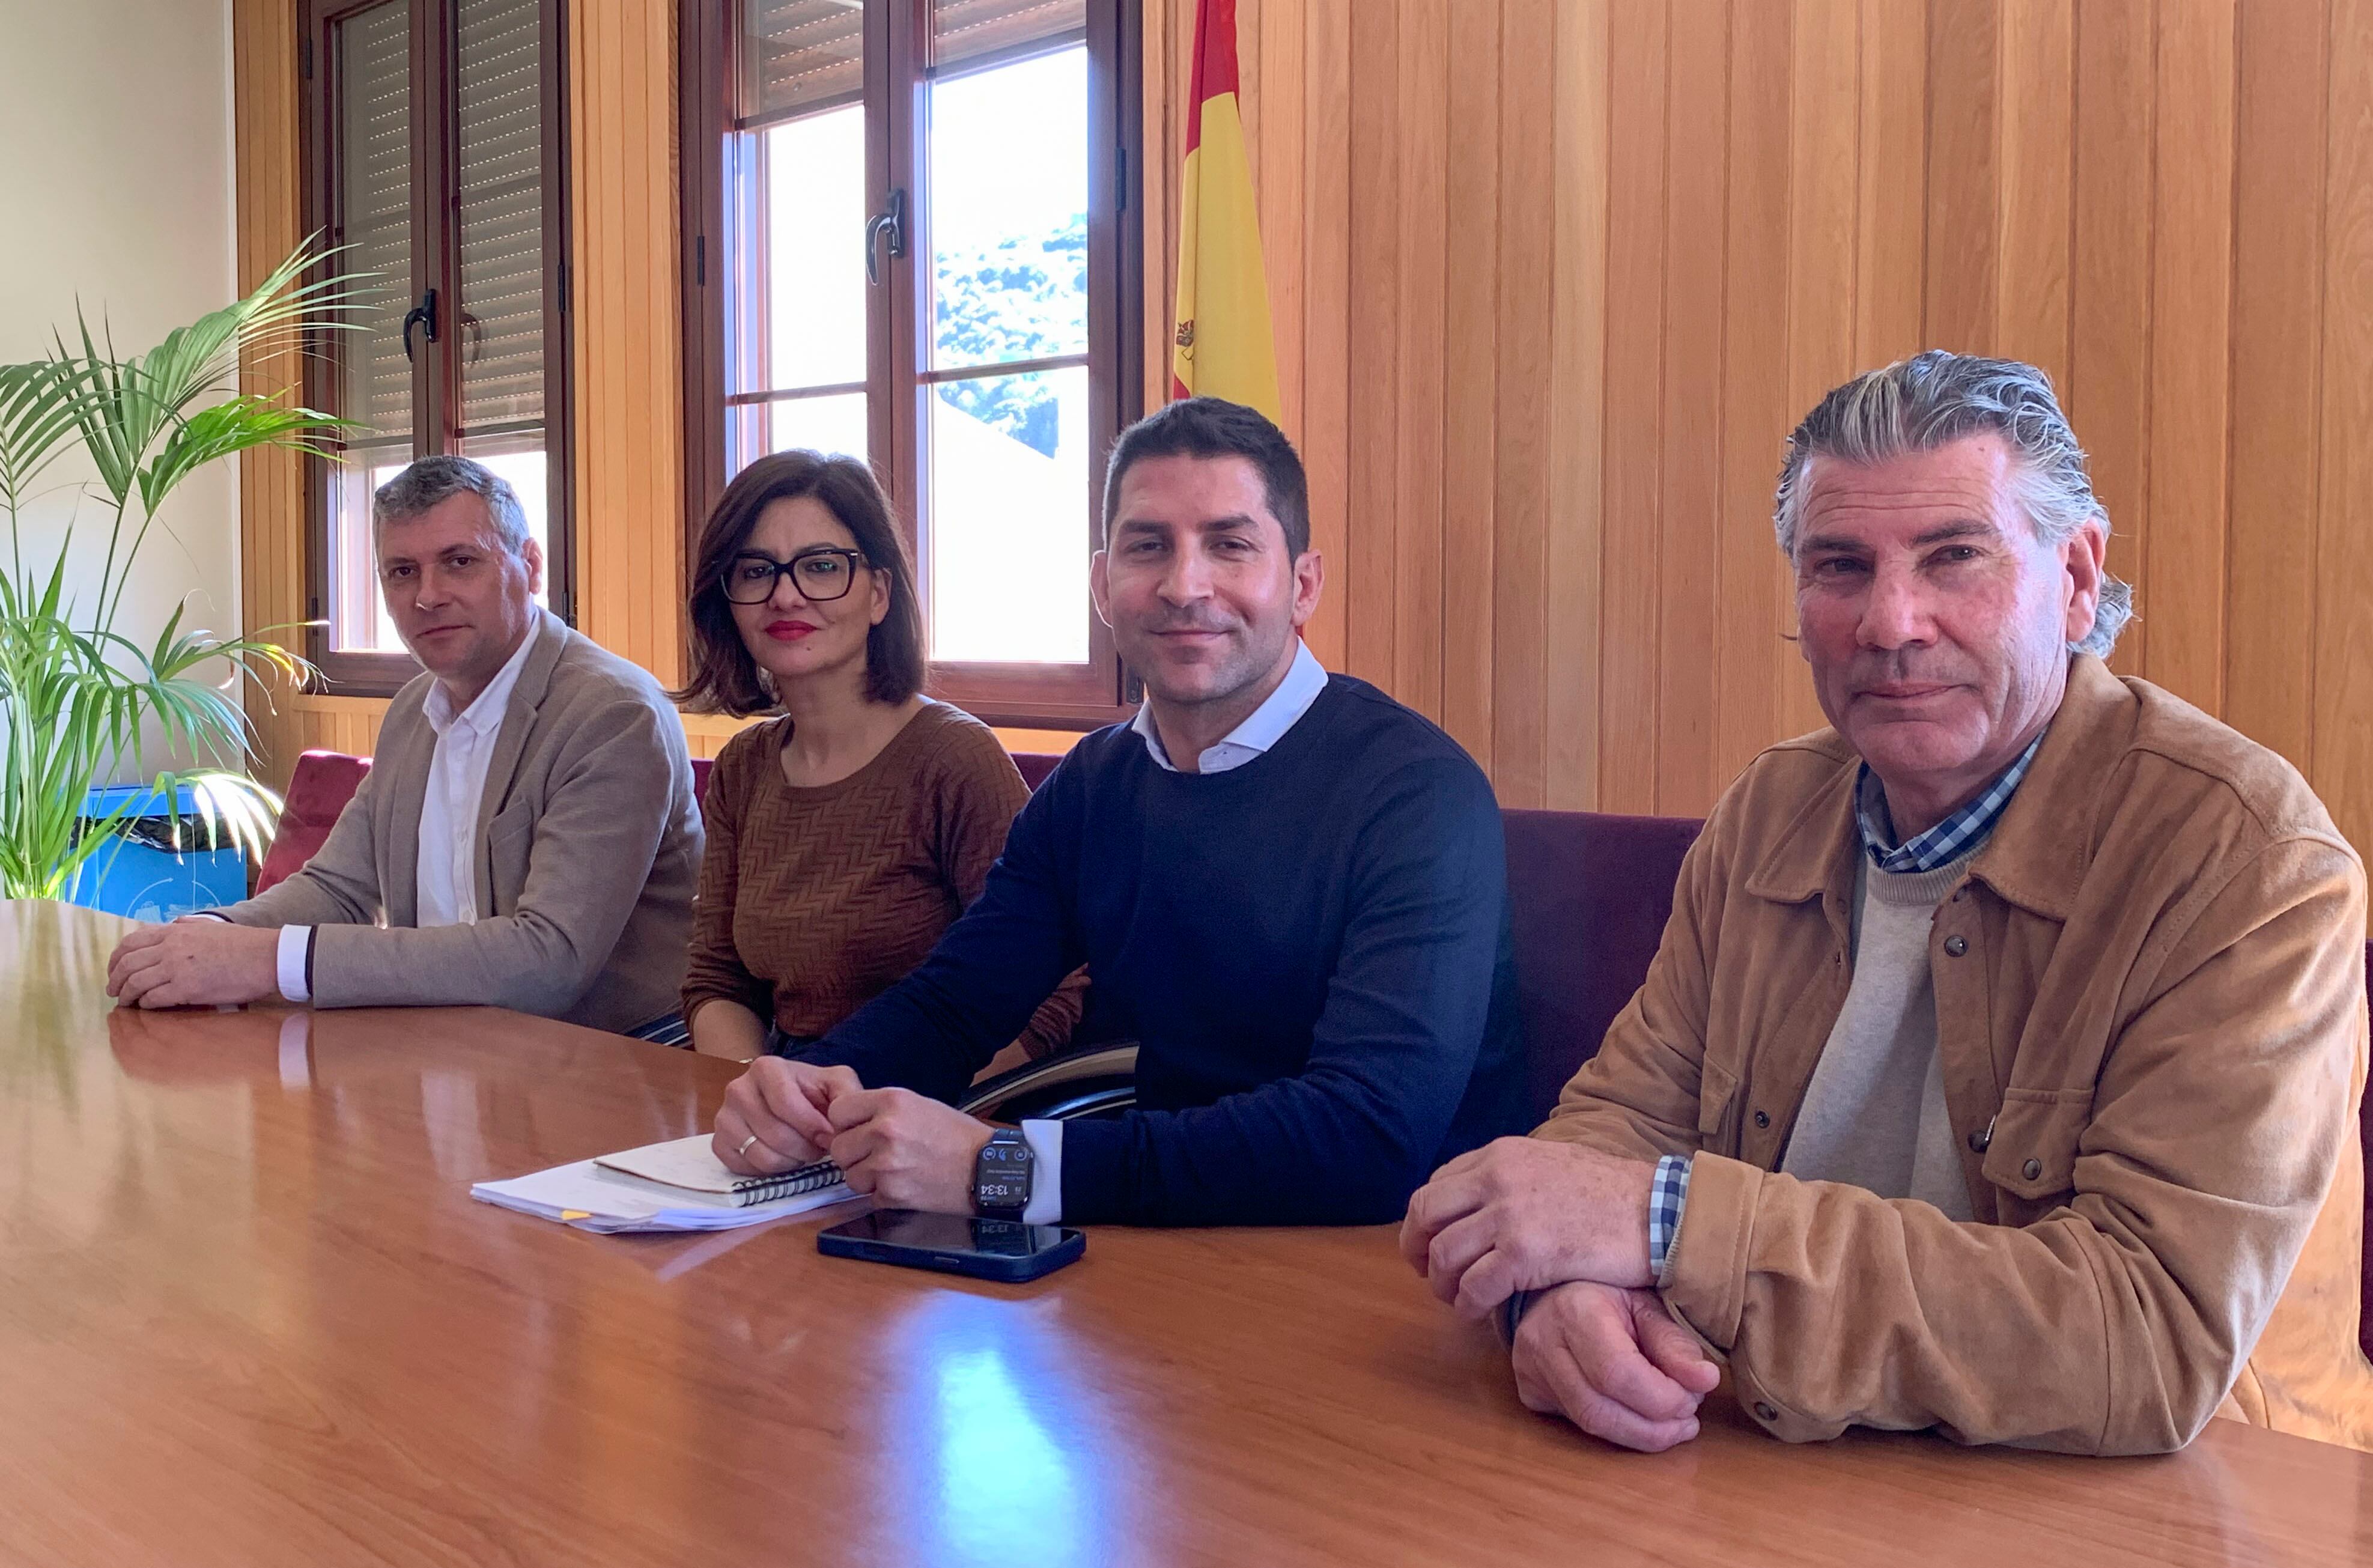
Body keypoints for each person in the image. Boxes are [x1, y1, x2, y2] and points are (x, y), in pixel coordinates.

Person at [1402, 351, 2373, 1458]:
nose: (1890, 621)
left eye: (1952, 556)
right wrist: (1559, 1302)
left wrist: (1663, 1226)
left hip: (2206, 1509)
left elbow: (2142, 1340)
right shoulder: (1770, 809)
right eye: (1839, 565)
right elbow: (1613, 1131)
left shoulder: (2247, 858)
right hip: (1798, 1470)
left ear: (2073, 579)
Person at [710, 397, 1527, 1226]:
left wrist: (1004, 1168)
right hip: (1164, 1242)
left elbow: (1369, 1138)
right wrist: (812, 1086)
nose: (1184, 586)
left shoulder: (1416, 792)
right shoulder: (1095, 785)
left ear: (1303, 584)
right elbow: (955, 1006)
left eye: (1230, 545)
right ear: (1103, 585)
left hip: (1393, 1264)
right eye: (1148, 547)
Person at [105, 456, 702, 1033]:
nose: (428, 595)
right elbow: (337, 888)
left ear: (532, 565)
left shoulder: (613, 714)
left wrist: (267, 961)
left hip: (614, 1061)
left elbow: (549, 960)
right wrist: (207, 932)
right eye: (402, 572)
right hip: (447, 1047)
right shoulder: (413, 711)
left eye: (460, 562)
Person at [675, 449, 1080, 1071]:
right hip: (782, 1102)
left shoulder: (953, 758)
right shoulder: (743, 767)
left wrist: (885, 1110)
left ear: (879, 594)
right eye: (756, 572)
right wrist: (762, 1096)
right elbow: (719, 981)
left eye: (822, 566)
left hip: (932, 1103)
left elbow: (1052, 989)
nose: (786, 595)